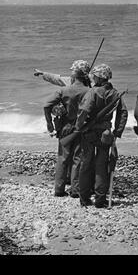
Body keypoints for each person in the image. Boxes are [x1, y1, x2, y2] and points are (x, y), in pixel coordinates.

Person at [75, 64, 128, 208]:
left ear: (99, 77)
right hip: (106, 133)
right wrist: (118, 131)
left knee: (86, 165)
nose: (92, 78)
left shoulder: (93, 92)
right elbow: (123, 113)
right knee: (102, 166)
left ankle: (84, 198)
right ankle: (100, 199)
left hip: (90, 132)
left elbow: (84, 110)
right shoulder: (115, 93)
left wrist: (79, 126)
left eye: (94, 76)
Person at [43, 60, 91, 197]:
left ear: (74, 74)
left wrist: (49, 124)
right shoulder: (90, 91)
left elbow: (46, 105)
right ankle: (75, 191)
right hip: (82, 128)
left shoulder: (63, 90)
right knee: (78, 159)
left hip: (65, 128)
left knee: (62, 158)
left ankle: (59, 190)